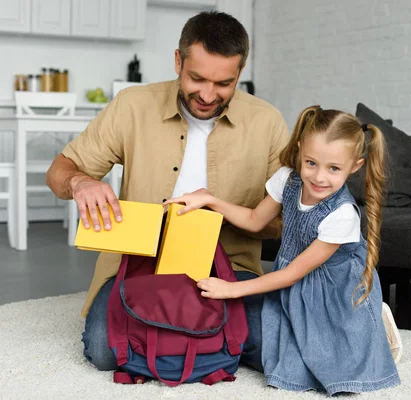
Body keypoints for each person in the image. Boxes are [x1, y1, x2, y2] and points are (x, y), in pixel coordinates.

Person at [45, 11, 289, 373]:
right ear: (178, 61)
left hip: (229, 268)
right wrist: (82, 182)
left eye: (224, 83)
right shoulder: (132, 105)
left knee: (270, 347)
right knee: (103, 351)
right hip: (139, 264)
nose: (208, 95)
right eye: (196, 78)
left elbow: (284, 221)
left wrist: (232, 217)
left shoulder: (267, 122)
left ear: (240, 73)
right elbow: (58, 172)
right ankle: (197, 346)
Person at [164, 105, 402, 395]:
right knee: (277, 356)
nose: (319, 177)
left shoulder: (342, 214)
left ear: (355, 166)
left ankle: (371, 322)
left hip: (333, 291)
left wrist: (231, 289)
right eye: (311, 163)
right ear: (300, 150)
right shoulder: (288, 179)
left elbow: (291, 274)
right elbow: (254, 221)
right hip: (292, 280)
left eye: (334, 168)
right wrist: (210, 201)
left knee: (324, 369)